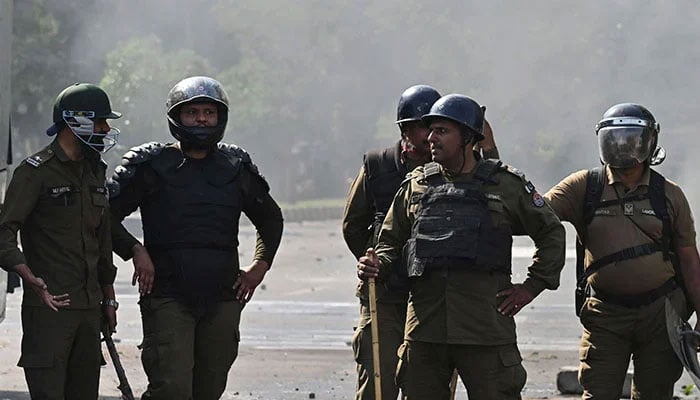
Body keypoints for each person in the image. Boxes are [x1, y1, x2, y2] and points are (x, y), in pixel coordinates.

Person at [357, 93, 565, 400]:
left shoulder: (505, 185)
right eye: (430, 130)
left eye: (442, 131)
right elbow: (389, 241)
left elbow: (551, 233)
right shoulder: (416, 185)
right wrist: (377, 263)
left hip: (484, 330)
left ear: (468, 137)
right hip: (425, 330)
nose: (430, 138)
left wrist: (530, 287)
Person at [108, 76, 284, 400]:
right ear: (177, 118)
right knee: (171, 387)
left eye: (209, 112)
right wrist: (135, 250)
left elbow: (271, 219)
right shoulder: (152, 165)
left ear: (221, 118)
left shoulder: (235, 167)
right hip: (167, 294)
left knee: (210, 387)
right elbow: (104, 216)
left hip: (222, 297)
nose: (202, 120)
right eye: (192, 112)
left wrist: (260, 267)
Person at [342, 85, 499, 399]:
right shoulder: (378, 166)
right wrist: (379, 262)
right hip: (386, 295)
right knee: (379, 384)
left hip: (434, 298)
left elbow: (494, 191)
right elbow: (353, 226)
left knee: (428, 385)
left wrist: (490, 146)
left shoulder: (456, 169)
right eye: (420, 128)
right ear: (404, 129)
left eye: (436, 128)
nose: (428, 137)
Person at [544, 103, 700, 399]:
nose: (622, 147)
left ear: (649, 142)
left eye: (631, 139)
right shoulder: (584, 187)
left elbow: (689, 259)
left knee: (655, 393)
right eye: (615, 139)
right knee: (598, 392)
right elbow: (533, 214)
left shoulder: (670, 195)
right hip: (605, 314)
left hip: (661, 314)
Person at [0, 82, 121, 399]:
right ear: (75, 121)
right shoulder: (35, 172)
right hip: (50, 310)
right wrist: (30, 278)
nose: (106, 129)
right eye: (100, 121)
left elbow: (103, 241)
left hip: (89, 309)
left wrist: (108, 298)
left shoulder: (95, 172)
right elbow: (4, 231)